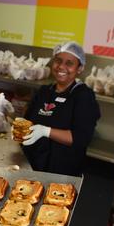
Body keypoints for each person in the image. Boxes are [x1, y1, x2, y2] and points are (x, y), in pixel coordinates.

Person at [20, 42, 101, 177]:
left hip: (62, 169)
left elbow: (80, 138)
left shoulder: (83, 96)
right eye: (58, 61)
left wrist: (46, 131)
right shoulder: (44, 91)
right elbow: (28, 121)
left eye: (69, 63)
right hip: (33, 163)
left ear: (79, 68)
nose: (61, 67)